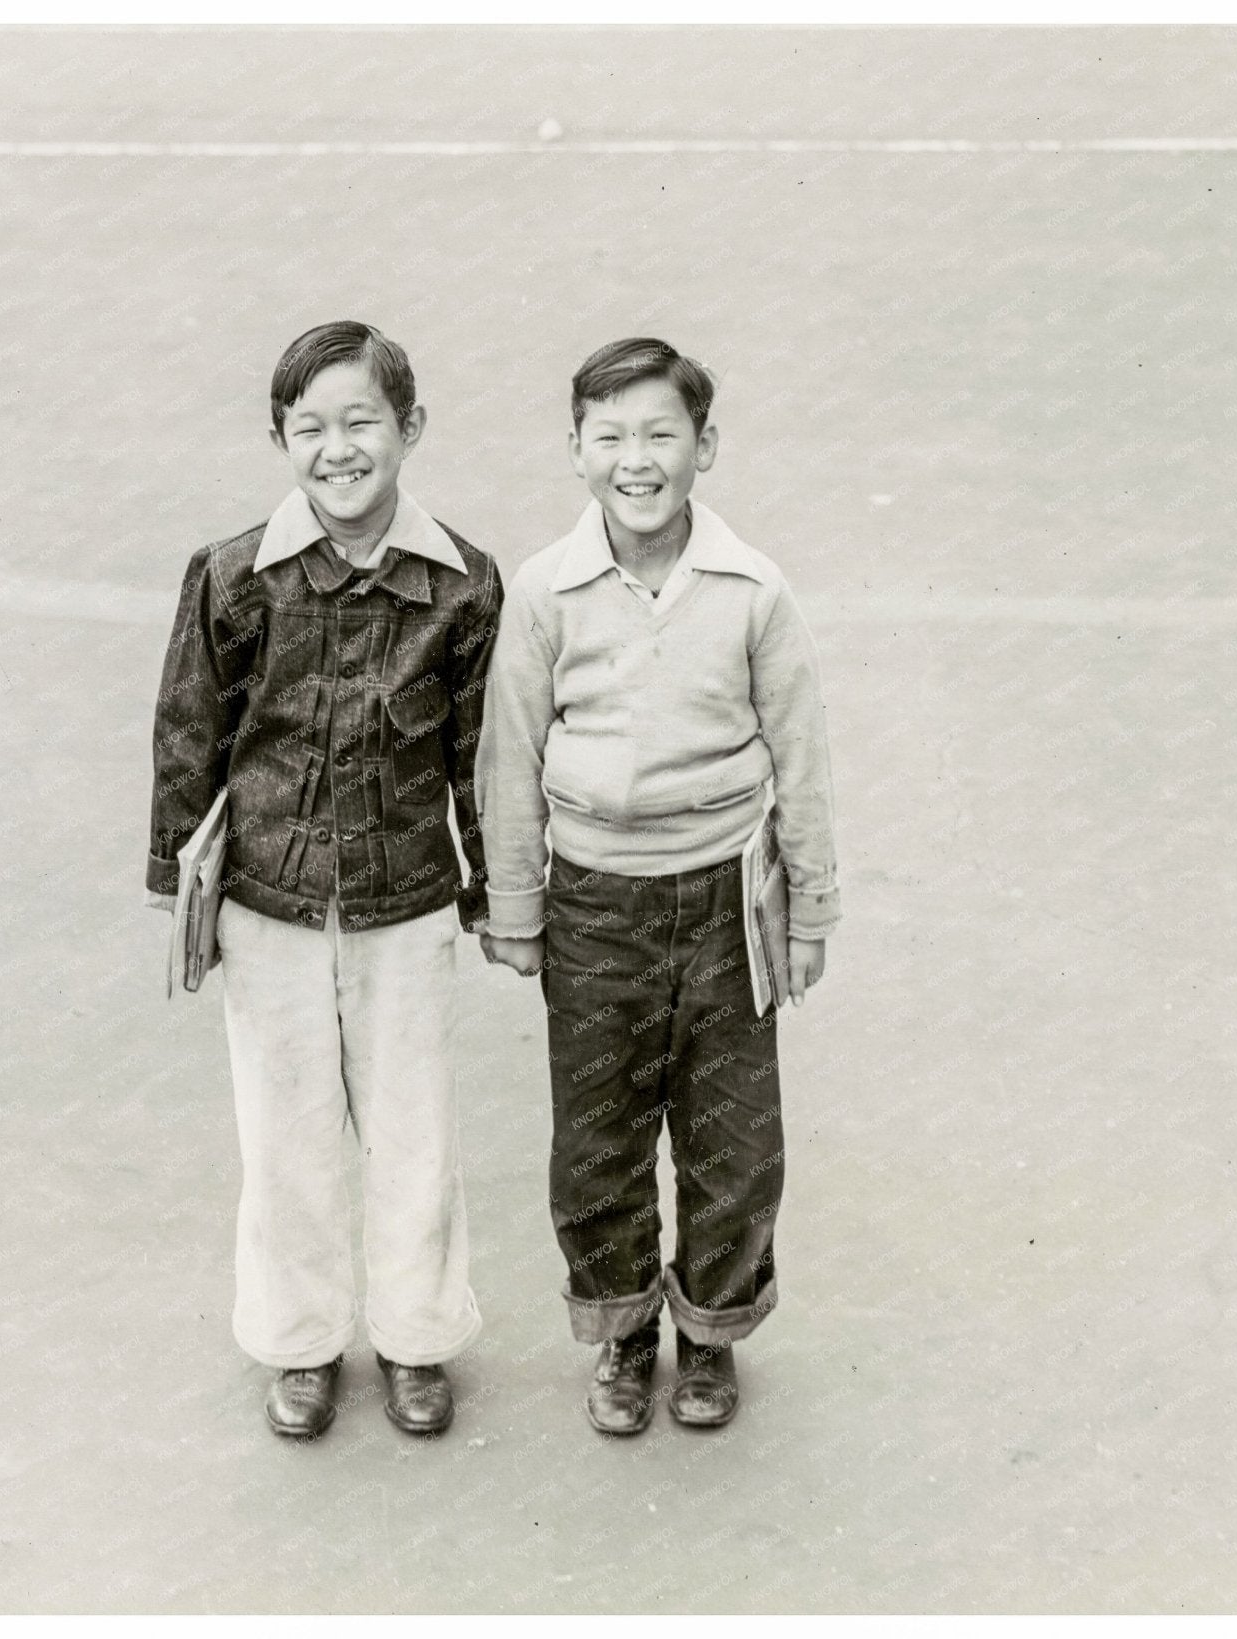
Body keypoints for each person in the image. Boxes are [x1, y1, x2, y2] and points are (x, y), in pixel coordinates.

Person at [475, 337, 840, 1434]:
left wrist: (810, 906)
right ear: (576, 452)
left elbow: (801, 753)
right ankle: (623, 1335)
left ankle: (709, 1336)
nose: (637, 461)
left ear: (704, 447)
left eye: (661, 435)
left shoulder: (750, 589)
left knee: (732, 1140)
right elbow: (509, 753)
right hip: (594, 902)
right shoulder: (544, 590)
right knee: (598, 1138)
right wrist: (516, 904)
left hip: (727, 901)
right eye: (611, 437)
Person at [147, 320, 502, 1439]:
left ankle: (413, 1339)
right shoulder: (227, 577)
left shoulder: (465, 586)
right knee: (284, 1135)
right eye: (311, 428)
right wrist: (176, 881)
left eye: (362, 422)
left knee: (413, 1134)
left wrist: (498, 892)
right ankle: (299, 1345)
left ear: (410, 429)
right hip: (266, 907)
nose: (338, 449)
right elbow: (187, 732)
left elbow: (479, 756)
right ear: (278, 439)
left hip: (406, 909)